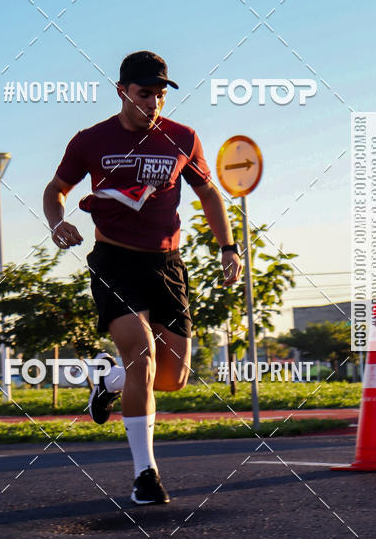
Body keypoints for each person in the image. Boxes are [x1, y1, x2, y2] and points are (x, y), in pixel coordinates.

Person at [43, 51, 242, 505]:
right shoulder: (90, 141)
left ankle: (107, 382)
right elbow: (55, 191)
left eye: (159, 95)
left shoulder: (183, 138)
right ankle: (144, 475)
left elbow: (208, 192)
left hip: (167, 266)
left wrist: (228, 247)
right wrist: (57, 222)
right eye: (143, 94)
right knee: (143, 357)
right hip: (115, 261)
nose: (153, 104)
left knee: (172, 379)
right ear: (122, 92)